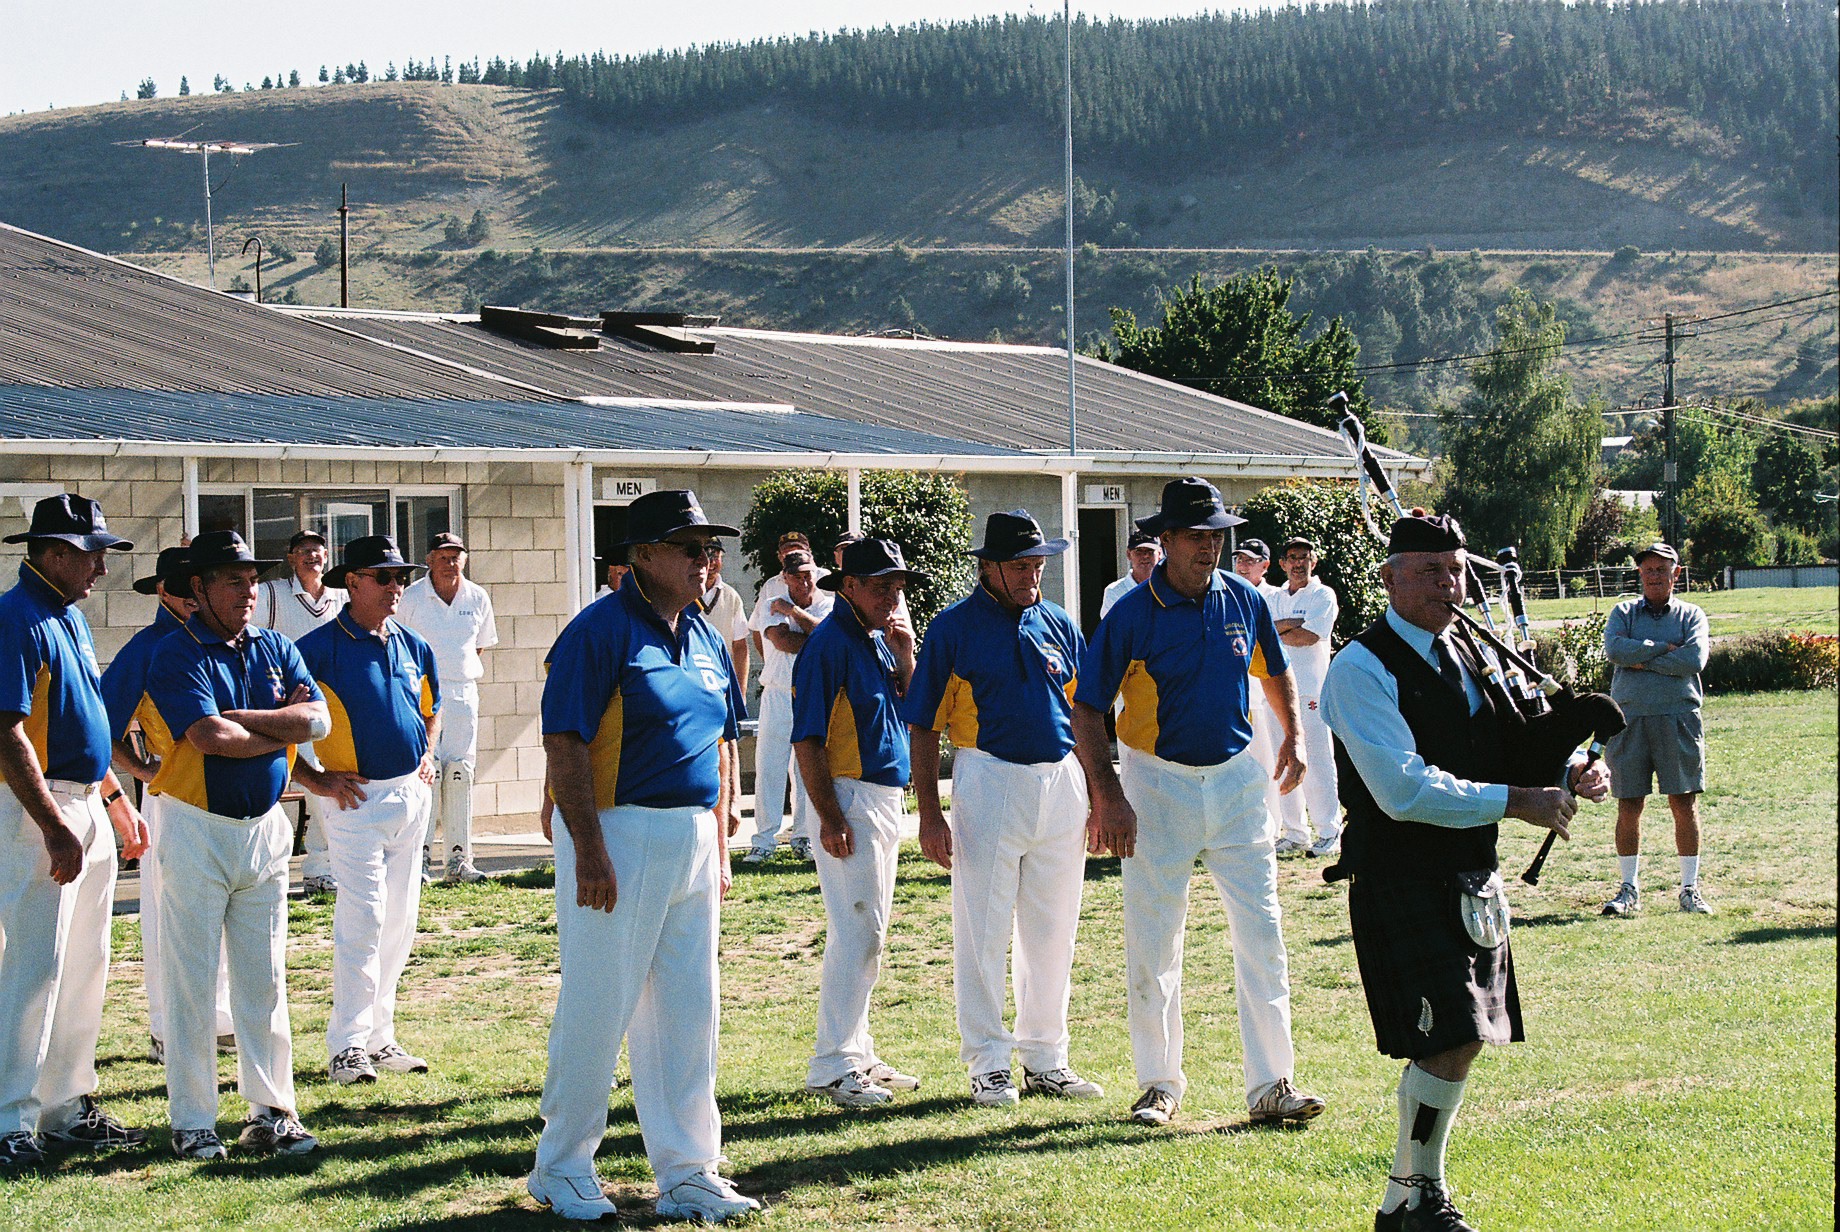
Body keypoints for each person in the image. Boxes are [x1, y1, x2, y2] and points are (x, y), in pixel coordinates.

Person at [1321, 510, 1609, 1232]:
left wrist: (1570, 769)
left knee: (1464, 1035)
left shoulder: (1471, 655)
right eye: (1428, 571)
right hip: (1401, 874)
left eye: (1455, 571)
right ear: (1388, 579)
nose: (1447, 585)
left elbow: (1506, 749)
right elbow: (1402, 788)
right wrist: (1518, 801)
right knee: (1446, 1036)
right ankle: (1415, 1196)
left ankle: (1407, 1202)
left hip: (1472, 871)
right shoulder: (1359, 668)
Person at [527, 489, 758, 1223]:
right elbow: (564, 740)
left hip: (692, 836)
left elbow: (721, 742)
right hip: (618, 833)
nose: (705, 560)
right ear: (643, 556)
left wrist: (720, 839)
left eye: (710, 549)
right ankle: (562, 1166)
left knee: (690, 1012)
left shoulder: (706, 635)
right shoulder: (598, 632)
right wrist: (589, 848)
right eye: (690, 548)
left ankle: (688, 1170)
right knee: (598, 1003)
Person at [1071, 478, 1325, 1129]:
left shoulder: (1245, 598)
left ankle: (1272, 1084)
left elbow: (1275, 670)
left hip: (1238, 782)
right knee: (1155, 941)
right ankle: (1159, 1085)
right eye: (1195, 536)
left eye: (1217, 535)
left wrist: (1294, 738)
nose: (1209, 547)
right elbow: (1088, 707)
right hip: (1156, 785)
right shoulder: (1131, 613)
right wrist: (1108, 794)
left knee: (1263, 934)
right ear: (1166, 540)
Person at [904, 511, 1103, 1107]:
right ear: (988, 567)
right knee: (982, 929)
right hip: (988, 774)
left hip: (1061, 778)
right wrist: (930, 812)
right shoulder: (953, 628)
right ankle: (988, 1061)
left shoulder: (1059, 622)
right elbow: (923, 724)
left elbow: (1085, 713)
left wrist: (1099, 793)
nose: (1031, 576)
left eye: (1037, 565)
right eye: (1019, 566)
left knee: (1054, 929)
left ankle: (1046, 1058)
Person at [144, 530, 329, 1159]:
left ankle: (272, 1111)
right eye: (233, 581)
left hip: (266, 828)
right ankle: (193, 1120)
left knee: (265, 978)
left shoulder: (275, 645)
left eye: (252, 580)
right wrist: (281, 724)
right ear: (197, 588)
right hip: (196, 825)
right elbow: (208, 738)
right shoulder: (176, 652)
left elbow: (319, 720)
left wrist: (247, 718)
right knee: (193, 980)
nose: (248, 592)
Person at [0, 495, 148, 1171]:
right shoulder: (16, 616)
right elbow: (6, 732)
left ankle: (64, 1107)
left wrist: (113, 799)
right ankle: (10, 1118)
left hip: (83, 800)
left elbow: (83, 722)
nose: (101, 567)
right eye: (92, 554)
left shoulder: (68, 616)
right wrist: (53, 824)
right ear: (54, 552)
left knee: (85, 963)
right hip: (39, 809)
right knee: (33, 967)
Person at [294, 536, 441, 1086]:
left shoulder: (413, 644)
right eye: (384, 577)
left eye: (400, 577)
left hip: (411, 797)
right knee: (365, 920)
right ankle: (347, 1046)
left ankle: (380, 1038)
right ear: (351, 582)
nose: (396, 586)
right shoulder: (315, 650)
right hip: (354, 802)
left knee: (399, 922)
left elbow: (433, 708)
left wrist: (427, 753)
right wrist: (316, 779)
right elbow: (275, 726)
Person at [791, 537, 923, 1109]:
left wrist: (906, 655)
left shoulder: (873, 639)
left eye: (897, 586)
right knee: (858, 931)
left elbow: (914, 709)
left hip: (879, 795)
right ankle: (834, 1062)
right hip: (849, 796)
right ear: (849, 586)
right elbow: (807, 740)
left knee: (870, 931)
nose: (891, 596)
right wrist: (828, 815)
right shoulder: (829, 644)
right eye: (880, 585)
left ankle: (857, 1051)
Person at [99, 545, 235, 1064]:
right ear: (162, 591)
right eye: (182, 586)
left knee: (226, 909)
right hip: (173, 792)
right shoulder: (146, 647)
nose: (192, 597)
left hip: (231, 789)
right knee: (167, 915)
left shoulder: (223, 640)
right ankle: (165, 1028)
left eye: (200, 584)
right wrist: (143, 772)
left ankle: (218, 1017)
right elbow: (103, 728)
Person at [1599, 542, 1713, 917]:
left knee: (1683, 802)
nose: (1654, 576)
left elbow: (1693, 659)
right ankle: (1628, 890)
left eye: (1661, 569)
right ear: (1639, 574)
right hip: (1628, 719)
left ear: (1675, 573)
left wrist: (1642, 658)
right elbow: (1616, 651)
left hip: (1678, 718)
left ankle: (1689, 890)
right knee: (1629, 804)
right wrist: (1664, 648)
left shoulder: (1691, 615)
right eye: (1647, 569)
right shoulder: (1623, 613)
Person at [396, 531, 498, 883]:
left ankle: (459, 861)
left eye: (456, 557)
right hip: (420, 694)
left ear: (464, 560)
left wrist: (456, 675)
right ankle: (419, 859)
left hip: (463, 694)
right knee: (427, 771)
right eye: (442, 556)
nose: (449, 563)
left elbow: (477, 648)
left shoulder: (477, 597)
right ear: (429, 560)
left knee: (459, 772)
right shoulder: (411, 597)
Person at [256, 530, 347, 896]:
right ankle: (314, 869)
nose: (312, 556)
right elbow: (247, 637)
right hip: (293, 708)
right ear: (291, 558)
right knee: (315, 782)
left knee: (335, 783)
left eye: (317, 550)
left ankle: (333, 866)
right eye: (304, 550)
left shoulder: (342, 595)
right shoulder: (272, 594)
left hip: (337, 704)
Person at [742, 549, 831, 863]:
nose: (804, 581)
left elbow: (826, 639)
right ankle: (763, 841)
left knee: (808, 768)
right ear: (785, 577)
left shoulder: (826, 603)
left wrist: (793, 613)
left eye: (808, 574)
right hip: (778, 692)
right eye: (796, 576)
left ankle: (803, 836)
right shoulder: (771, 601)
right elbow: (781, 641)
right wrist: (812, 636)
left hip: (811, 693)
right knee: (769, 768)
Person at [1270, 536, 1342, 857]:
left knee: (1317, 761)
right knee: (1282, 761)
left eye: (1304, 557)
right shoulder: (1274, 597)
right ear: (1282, 564)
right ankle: (1295, 833)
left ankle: (1329, 832)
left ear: (1313, 562)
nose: (1298, 563)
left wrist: (1279, 630)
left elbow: (1308, 636)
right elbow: (1262, 632)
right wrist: (1290, 623)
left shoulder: (1322, 595)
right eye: (1292, 558)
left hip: (1311, 692)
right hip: (1277, 693)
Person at [1229, 538, 1292, 852]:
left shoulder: (1275, 596)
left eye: (1250, 560)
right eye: (1239, 559)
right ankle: (1252, 825)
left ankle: (1277, 827)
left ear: (1265, 566)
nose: (1242, 566)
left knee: (1272, 764)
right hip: (1244, 694)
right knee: (1247, 764)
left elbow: (1276, 636)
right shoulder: (1231, 593)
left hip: (1271, 694)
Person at [699, 540, 751, 691]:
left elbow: (740, 647)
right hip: (690, 677)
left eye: (716, 556)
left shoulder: (731, 596)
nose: (711, 562)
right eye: (706, 555)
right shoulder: (683, 593)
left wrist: (741, 692)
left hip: (721, 680)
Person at [1099, 528, 1160, 620]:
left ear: (1159, 554)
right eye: (1139, 551)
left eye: (1150, 551)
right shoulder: (1115, 591)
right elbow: (1112, 626)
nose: (1145, 555)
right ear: (1128, 554)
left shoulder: (1171, 588)